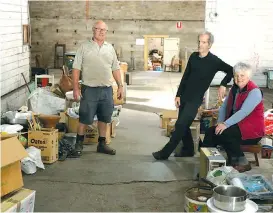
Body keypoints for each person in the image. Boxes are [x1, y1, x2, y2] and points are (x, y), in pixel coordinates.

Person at [153, 31, 233, 160]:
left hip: (195, 99)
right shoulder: (193, 56)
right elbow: (186, 76)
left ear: (209, 45)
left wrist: (223, 84)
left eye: (204, 42)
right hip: (184, 96)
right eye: (199, 42)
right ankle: (188, 150)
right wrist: (178, 94)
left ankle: (165, 153)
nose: (200, 45)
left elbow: (231, 70)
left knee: (180, 125)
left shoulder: (214, 61)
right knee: (183, 125)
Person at [71, 20, 123, 157]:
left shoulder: (110, 48)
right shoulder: (84, 47)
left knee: (104, 117)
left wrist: (120, 85)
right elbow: (76, 69)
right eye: (98, 29)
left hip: (106, 89)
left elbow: (116, 68)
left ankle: (102, 143)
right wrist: (76, 88)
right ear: (93, 30)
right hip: (90, 89)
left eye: (104, 30)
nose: (101, 32)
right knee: (84, 117)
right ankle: (79, 144)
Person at [201, 62, 265, 172]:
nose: (239, 78)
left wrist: (225, 124)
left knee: (225, 133)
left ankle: (242, 162)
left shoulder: (255, 92)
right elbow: (223, 107)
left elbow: (243, 112)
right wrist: (220, 123)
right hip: (236, 125)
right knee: (211, 132)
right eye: (236, 75)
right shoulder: (234, 89)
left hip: (252, 131)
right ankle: (208, 164)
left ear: (248, 77)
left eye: (242, 75)